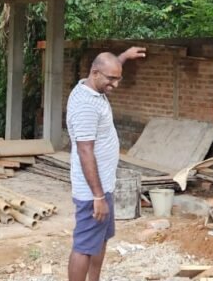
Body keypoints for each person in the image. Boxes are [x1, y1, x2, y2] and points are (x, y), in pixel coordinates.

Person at [67, 46, 146, 281]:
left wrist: (124, 57)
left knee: (100, 238)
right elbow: (85, 151)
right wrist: (98, 197)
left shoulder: (93, 86)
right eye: (112, 79)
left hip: (103, 185)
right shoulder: (85, 105)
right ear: (95, 74)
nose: (116, 85)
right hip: (92, 192)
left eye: (118, 78)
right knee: (84, 245)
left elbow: (108, 67)